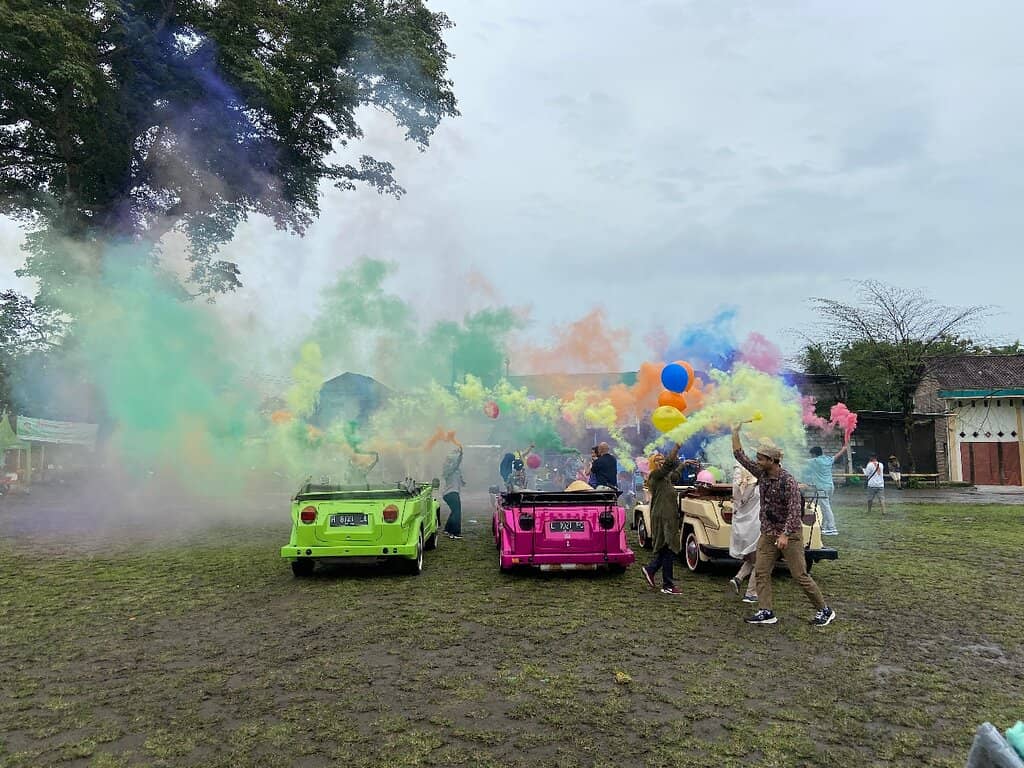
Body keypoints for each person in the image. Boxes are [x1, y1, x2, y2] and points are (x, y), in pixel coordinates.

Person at [732, 422, 837, 627]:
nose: (757, 462)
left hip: (790, 535)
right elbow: (740, 456)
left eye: (760, 459)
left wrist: (785, 534)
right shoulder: (762, 474)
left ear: (772, 461)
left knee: (800, 575)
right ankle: (766, 611)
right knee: (761, 572)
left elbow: (795, 511)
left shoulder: (788, 481)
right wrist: (735, 432)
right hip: (768, 534)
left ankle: (825, 610)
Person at [640, 444, 685, 595]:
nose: (661, 461)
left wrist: (683, 465)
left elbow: (675, 476)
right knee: (668, 549)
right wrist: (676, 448)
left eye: (662, 459)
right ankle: (667, 584)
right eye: (657, 460)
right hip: (662, 517)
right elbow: (668, 466)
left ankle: (651, 570)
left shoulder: (665, 478)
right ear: (653, 464)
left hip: (668, 516)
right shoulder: (655, 476)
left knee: (667, 549)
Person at [728, 461, 760, 604]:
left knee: (753, 559)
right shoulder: (758, 489)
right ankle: (751, 593)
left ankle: (738, 578)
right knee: (761, 561)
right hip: (757, 526)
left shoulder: (739, 488)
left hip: (743, 527)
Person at [805, 442, 849, 536]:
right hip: (830, 487)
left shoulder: (815, 461)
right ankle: (824, 527)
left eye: (812, 455)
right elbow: (837, 456)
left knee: (826, 508)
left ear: (814, 454)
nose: (811, 456)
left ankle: (832, 528)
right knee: (825, 507)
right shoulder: (828, 459)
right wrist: (843, 449)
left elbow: (801, 461)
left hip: (822, 488)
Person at [442, 444, 465, 539]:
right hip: (451, 493)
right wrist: (461, 454)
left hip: (452, 493)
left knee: (454, 511)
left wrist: (462, 482)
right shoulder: (449, 468)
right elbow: (457, 463)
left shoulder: (455, 470)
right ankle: (455, 533)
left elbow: (459, 477)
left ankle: (447, 529)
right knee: (457, 512)